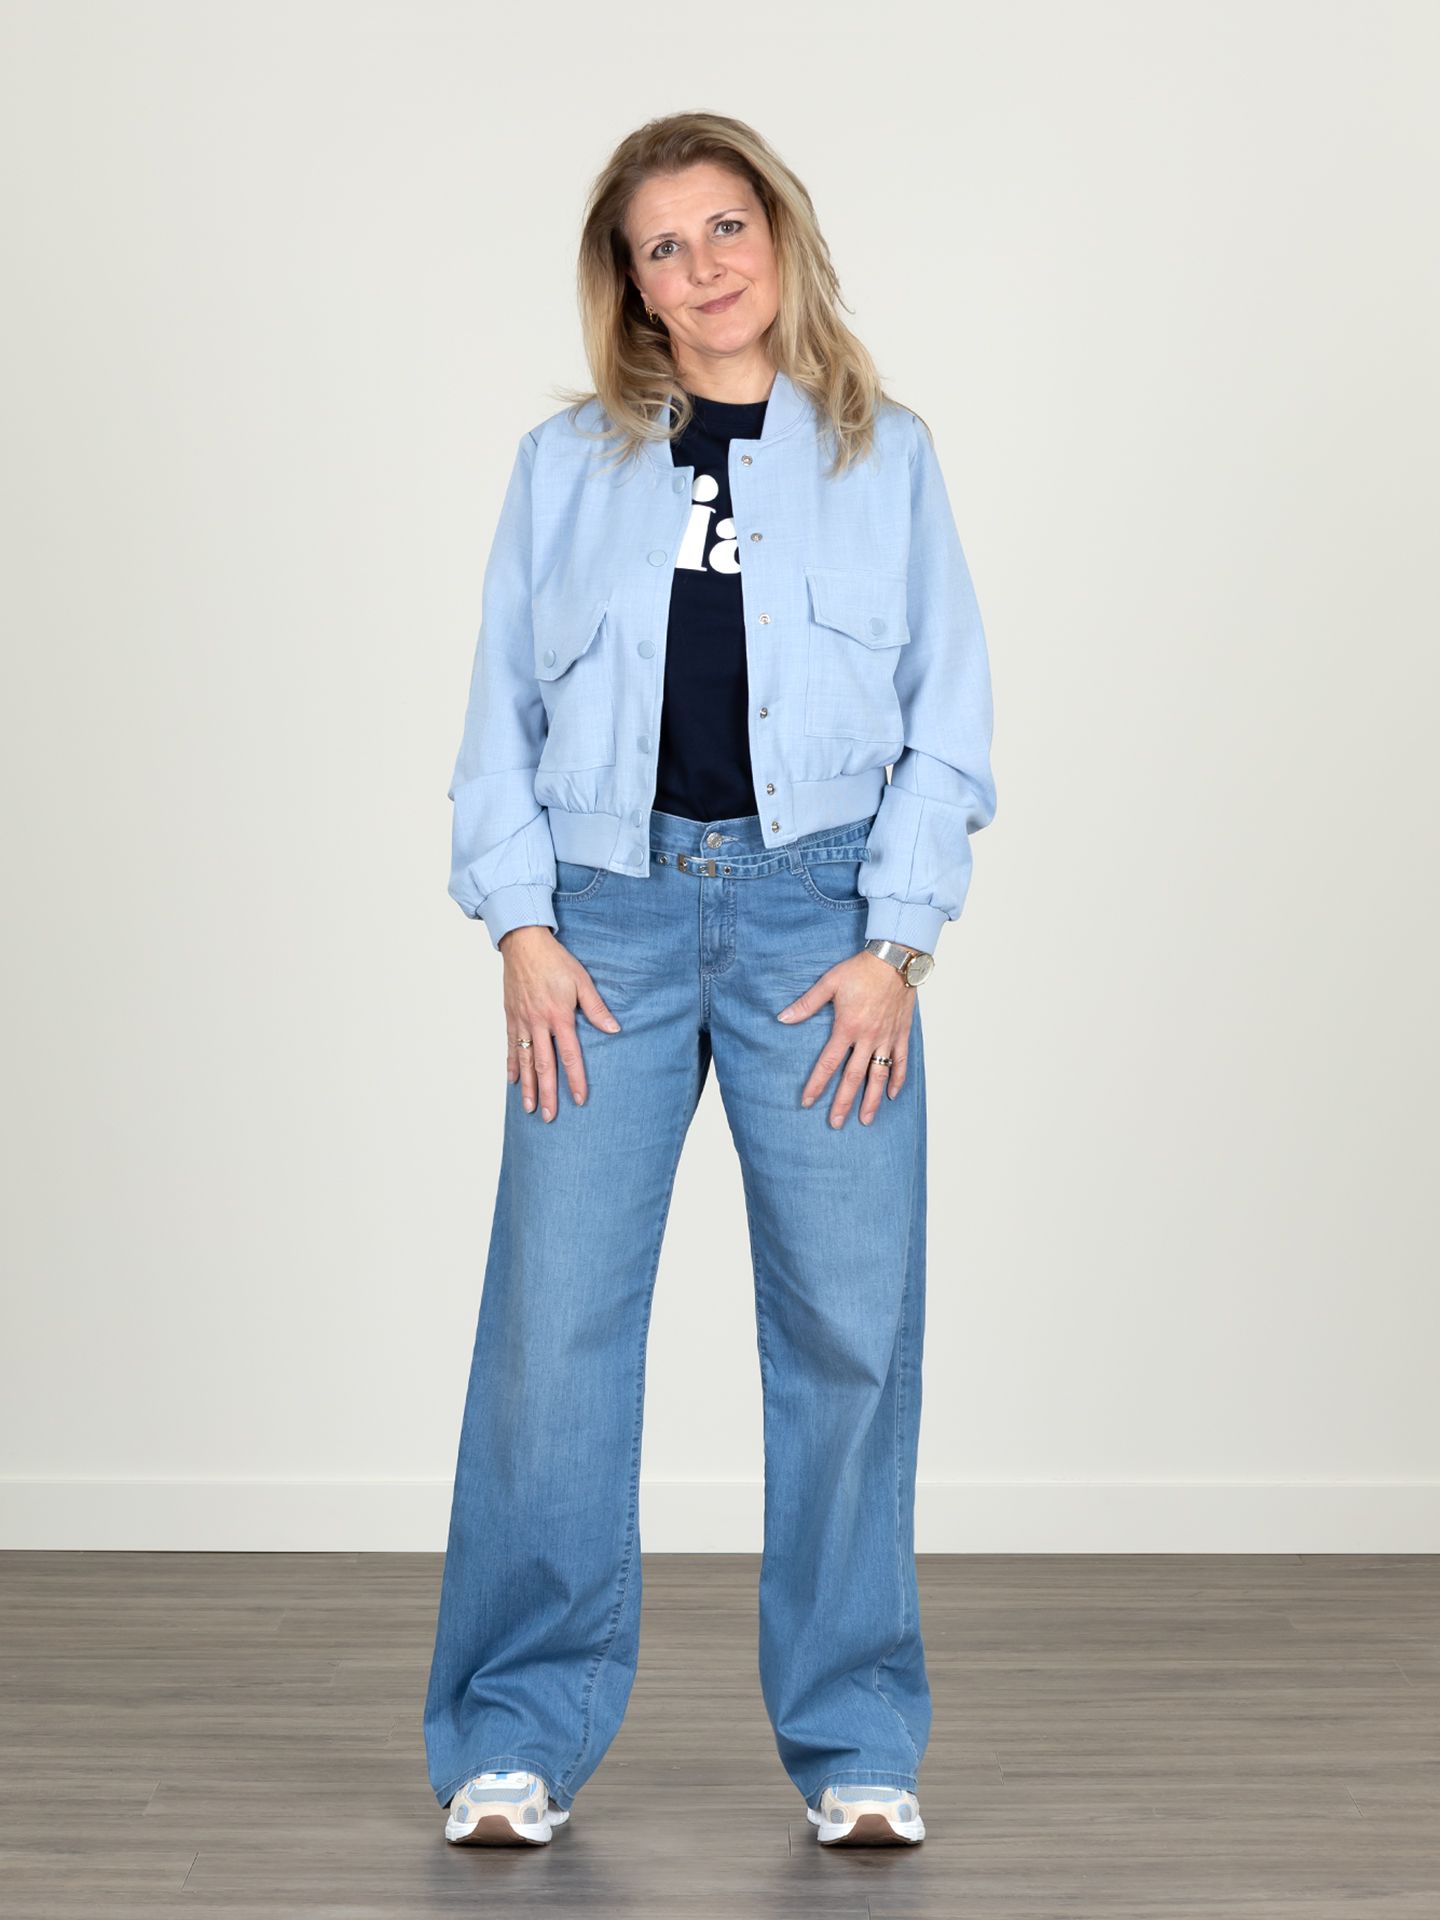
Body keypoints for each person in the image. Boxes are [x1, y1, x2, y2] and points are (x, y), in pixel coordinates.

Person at [422, 109, 997, 1851]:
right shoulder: (563, 467)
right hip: (601, 927)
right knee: (553, 1333)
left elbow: (949, 728)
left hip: (821, 927)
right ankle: (515, 1734)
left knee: (850, 1333)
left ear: (780, 235)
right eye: (662, 246)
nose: (703, 266)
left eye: (726, 225)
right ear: (632, 286)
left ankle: (858, 1740)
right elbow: (496, 720)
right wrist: (522, 926)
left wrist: (896, 947)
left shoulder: (885, 458)